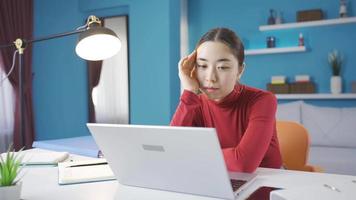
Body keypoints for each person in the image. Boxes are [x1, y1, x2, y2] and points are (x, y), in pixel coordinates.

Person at [170, 28, 282, 173]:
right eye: (202, 66)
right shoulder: (194, 103)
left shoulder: (263, 101)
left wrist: (189, 155)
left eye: (222, 67)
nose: (210, 77)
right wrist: (189, 92)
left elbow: (243, 163)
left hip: (264, 184)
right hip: (215, 177)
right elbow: (171, 149)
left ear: (240, 70)